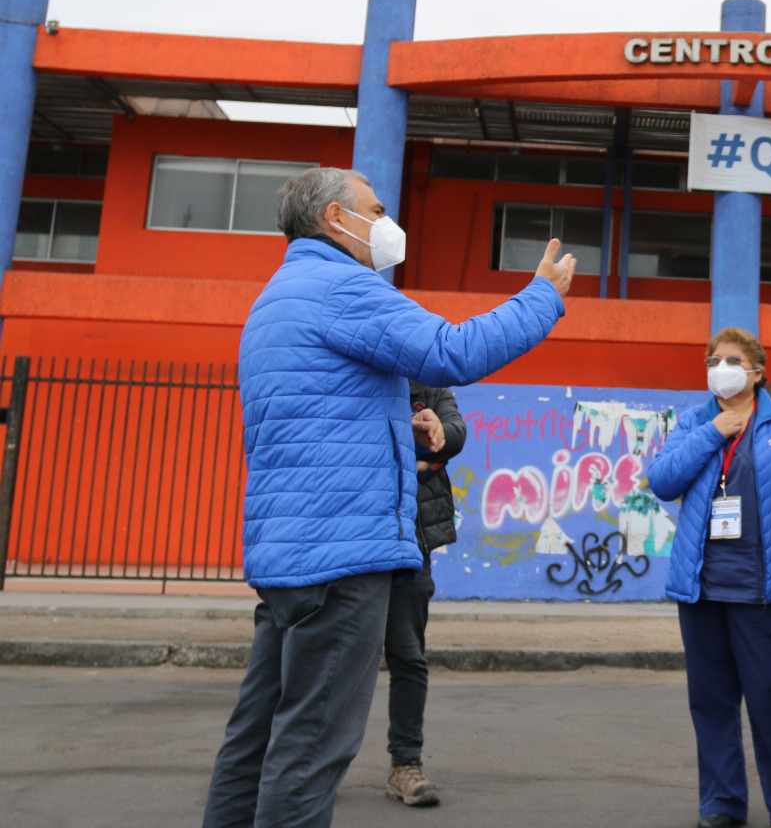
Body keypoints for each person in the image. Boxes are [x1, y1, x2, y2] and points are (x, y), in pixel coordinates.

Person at [202, 166, 574, 828]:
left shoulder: (278, 295)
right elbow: (451, 351)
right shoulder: (341, 286)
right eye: (374, 209)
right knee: (311, 748)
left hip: (291, 557)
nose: (386, 222)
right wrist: (540, 296)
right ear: (334, 220)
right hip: (341, 563)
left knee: (253, 741)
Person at [647, 327, 771, 828]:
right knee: (712, 702)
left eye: (732, 359)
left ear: (757, 371)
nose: (721, 366)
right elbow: (662, 480)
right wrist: (713, 431)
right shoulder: (694, 421)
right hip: (701, 589)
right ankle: (721, 803)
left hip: (763, 590)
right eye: (713, 359)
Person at [381, 381, 466, 807]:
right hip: (349, 536)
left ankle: (405, 764)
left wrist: (436, 435)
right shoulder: (349, 366)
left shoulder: (428, 380)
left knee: (408, 655)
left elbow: (454, 433)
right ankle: (308, 765)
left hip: (408, 539)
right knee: (330, 657)